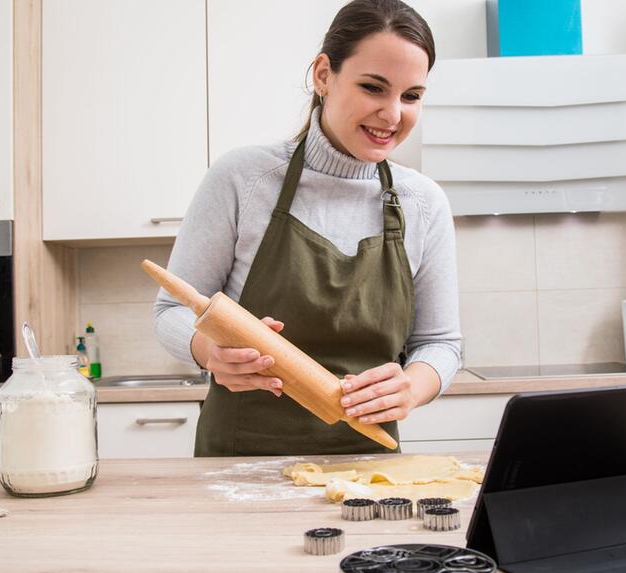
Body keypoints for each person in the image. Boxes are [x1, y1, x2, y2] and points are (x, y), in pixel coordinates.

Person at [154, 0, 461, 456]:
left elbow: (440, 344)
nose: (393, 115)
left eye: (411, 96)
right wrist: (208, 352)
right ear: (323, 75)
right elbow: (170, 312)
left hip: (369, 466)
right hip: (239, 461)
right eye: (373, 88)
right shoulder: (243, 178)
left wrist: (412, 387)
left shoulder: (423, 203)